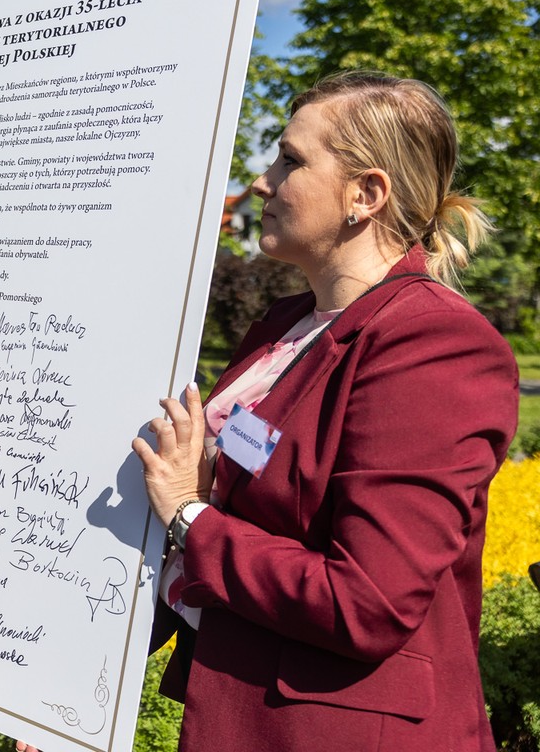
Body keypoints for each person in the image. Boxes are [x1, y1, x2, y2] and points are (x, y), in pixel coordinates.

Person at [134, 72, 518, 751]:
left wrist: (191, 516)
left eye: (290, 160)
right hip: (239, 708)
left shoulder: (434, 343)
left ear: (365, 195)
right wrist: (90, 683)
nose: (262, 182)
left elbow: (366, 601)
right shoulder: (286, 325)